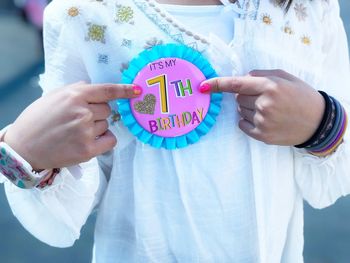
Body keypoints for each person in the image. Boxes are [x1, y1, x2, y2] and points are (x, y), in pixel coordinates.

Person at [1, 0, 350, 262]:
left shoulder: (305, 9)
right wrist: (25, 153)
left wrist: (321, 122)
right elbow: (69, 208)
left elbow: (335, 174)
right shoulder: (84, 14)